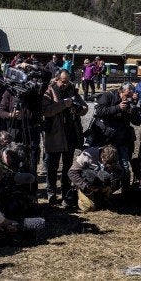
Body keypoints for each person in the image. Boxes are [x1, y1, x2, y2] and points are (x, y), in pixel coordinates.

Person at [42, 71, 88, 207]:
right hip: (55, 135)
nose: (65, 83)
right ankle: (51, 193)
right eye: (63, 81)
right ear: (56, 79)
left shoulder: (72, 90)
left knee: (68, 167)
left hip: (70, 135)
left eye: (67, 81)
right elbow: (46, 111)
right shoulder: (49, 91)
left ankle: (66, 194)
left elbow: (85, 108)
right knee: (52, 166)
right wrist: (63, 104)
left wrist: (77, 108)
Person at [91, 83, 141, 190]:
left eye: (130, 96)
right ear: (120, 91)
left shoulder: (130, 103)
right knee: (104, 165)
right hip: (106, 138)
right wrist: (117, 107)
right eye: (126, 95)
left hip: (122, 139)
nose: (127, 98)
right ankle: (103, 192)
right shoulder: (108, 96)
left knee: (125, 167)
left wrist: (133, 107)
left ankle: (126, 193)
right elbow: (98, 111)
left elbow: (137, 122)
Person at [68, 145, 124, 212]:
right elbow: (71, 172)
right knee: (89, 207)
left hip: (101, 185)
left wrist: (112, 177)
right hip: (86, 185)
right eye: (106, 163)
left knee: (112, 180)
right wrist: (84, 186)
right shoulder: (88, 155)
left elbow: (120, 172)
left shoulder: (112, 159)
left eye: (111, 164)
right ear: (101, 156)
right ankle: (77, 195)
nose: (108, 165)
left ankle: (102, 197)